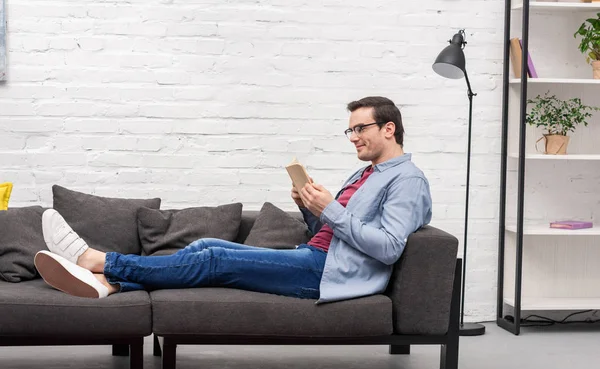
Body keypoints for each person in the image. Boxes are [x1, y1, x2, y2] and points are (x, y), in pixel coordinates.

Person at [34, 96, 432, 303]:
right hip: (315, 256)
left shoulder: (407, 180)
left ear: (389, 128)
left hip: (329, 274)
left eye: (360, 128)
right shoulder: (364, 174)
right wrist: (309, 206)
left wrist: (330, 207)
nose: (354, 137)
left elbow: (390, 248)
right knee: (206, 245)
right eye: (350, 131)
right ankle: (111, 284)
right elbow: (332, 231)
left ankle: (99, 261)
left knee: (215, 259)